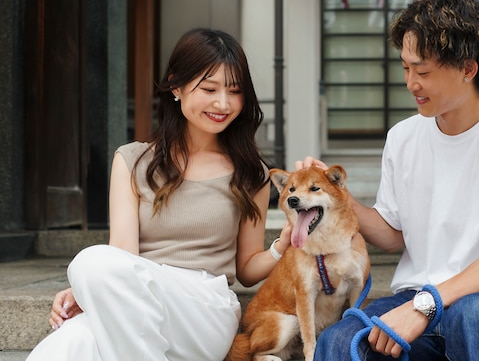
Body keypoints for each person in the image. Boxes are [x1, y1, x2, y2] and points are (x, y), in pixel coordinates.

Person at [298, 0, 479, 361]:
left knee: (470, 315)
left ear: (468, 69)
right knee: (338, 342)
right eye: (405, 67)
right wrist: (332, 194)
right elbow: (394, 234)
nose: (410, 82)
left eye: (423, 71)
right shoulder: (403, 137)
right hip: (417, 297)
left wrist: (425, 305)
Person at [26, 28, 291, 361]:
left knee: (89, 264)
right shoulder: (132, 160)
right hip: (139, 301)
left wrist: (282, 246)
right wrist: (93, 290)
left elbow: (246, 268)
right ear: (176, 87)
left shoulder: (252, 172)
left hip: (205, 308)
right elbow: (122, 256)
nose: (223, 103)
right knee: (69, 344)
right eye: (209, 89)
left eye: (235, 92)